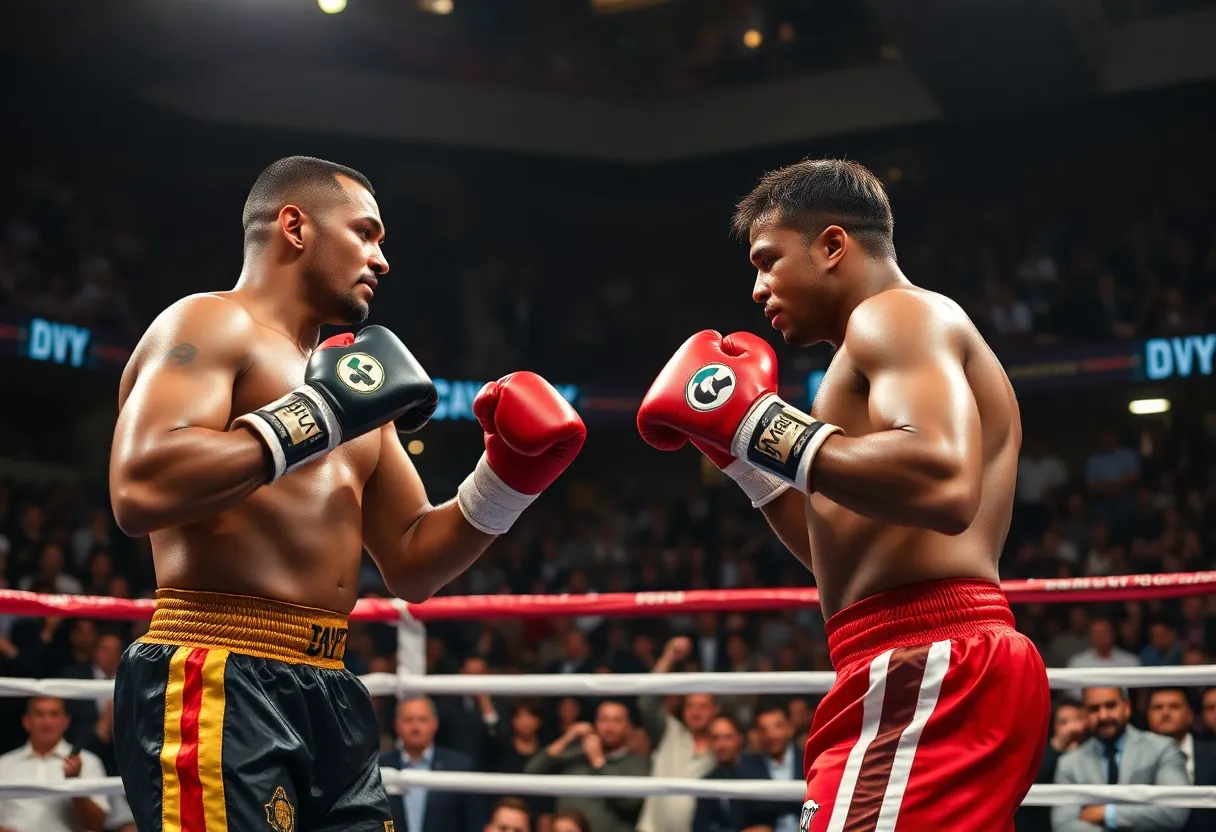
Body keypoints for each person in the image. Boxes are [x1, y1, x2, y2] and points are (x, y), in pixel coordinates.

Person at [108, 156, 585, 831]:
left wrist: (509, 478)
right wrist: (318, 415)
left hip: (330, 682)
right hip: (216, 670)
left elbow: (414, 559)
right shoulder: (210, 325)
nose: (382, 259)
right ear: (295, 226)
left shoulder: (359, 388)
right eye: (366, 233)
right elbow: (140, 485)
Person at [638, 158, 1050, 830]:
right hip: (912, 652)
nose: (756, 288)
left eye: (768, 261)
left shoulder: (896, 315)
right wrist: (748, 461)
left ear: (833, 245)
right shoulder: (867, 354)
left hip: (927, 654)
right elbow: (841, 551)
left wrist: (758, 425)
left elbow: (943, 481)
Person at [1052, 687, 1188, 831]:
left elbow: (1174, 812)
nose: (1103, 716)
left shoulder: (1161, 748)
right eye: (1094, 709)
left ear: (1127, 707)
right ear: (1084, 715)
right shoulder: (1069, 763)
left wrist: (1106, 813)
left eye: (1110, 706)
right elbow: (1064, 825)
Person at [379, 697, 483, 832]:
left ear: (434, 724)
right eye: (408, 720)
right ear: (396, 725)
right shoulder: (379, 766)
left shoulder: (458, 766)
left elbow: (473, 822)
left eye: (422, 719)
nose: (415, 727)